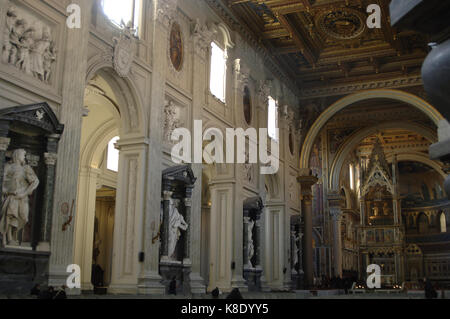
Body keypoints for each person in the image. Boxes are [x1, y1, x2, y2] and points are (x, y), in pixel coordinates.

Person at [0, 149, 39, 246]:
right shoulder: (8, 167)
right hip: (12, 196)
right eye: (23, 155)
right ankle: (9, 238)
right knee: (11, 216)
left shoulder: (26, 168)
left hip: (22, 197)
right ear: (17, 155)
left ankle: (14, 237)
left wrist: (25, 193)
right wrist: (8, 191)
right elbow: (3, 182)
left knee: (24, 217)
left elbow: (35, 181)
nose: (24, 158)